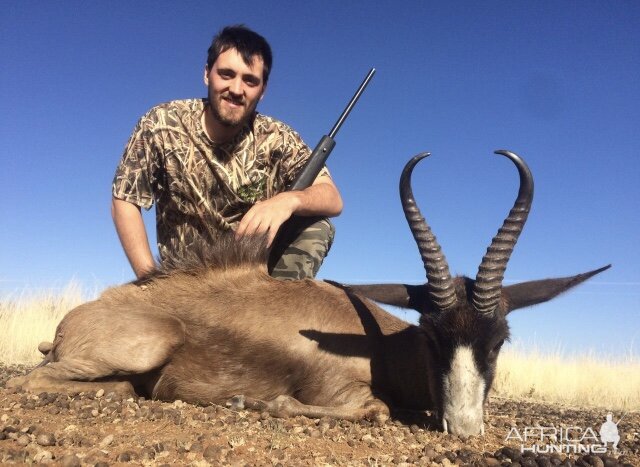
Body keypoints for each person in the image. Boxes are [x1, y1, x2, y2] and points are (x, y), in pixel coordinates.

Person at [111, 25, 343, 280]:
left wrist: (288, 201)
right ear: (207, 74)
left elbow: (332, 197)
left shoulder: (278, 138)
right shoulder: (160, 123)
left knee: (317, 225)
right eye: (226, 74)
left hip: (248, 278)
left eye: (250, 80)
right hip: (181, 280)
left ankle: (274, 313)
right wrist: (149, 281)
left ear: (262, 90)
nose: (236, 89)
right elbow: (125, 198)